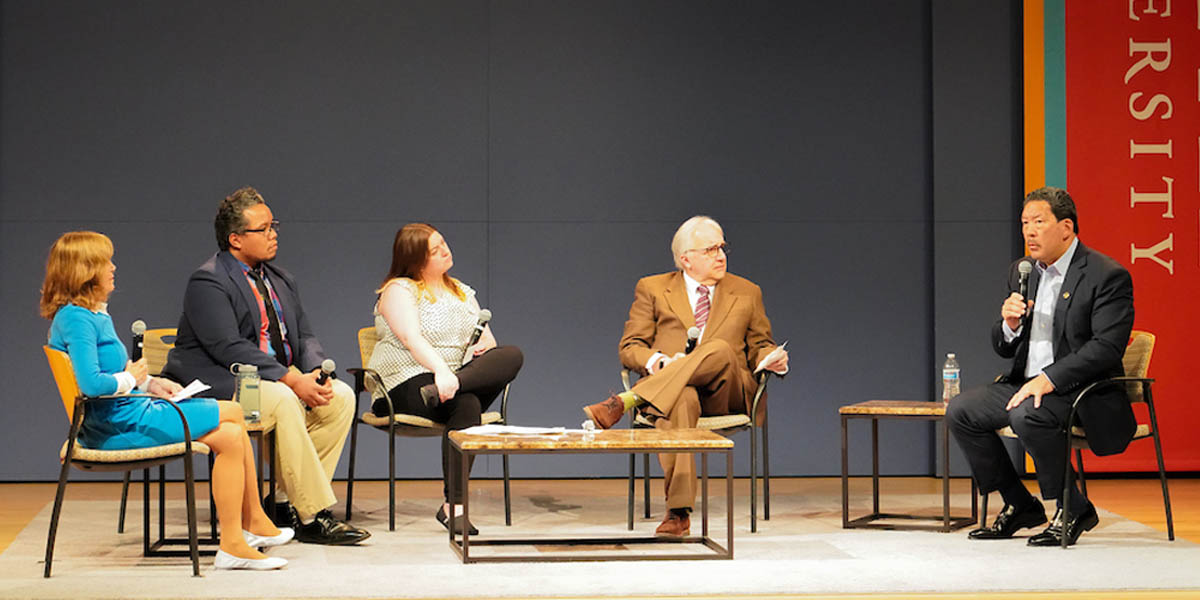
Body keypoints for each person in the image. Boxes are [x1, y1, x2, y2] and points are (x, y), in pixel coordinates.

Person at [42, 231, 290, 570]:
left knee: (231, 434)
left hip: (129, 411)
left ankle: (246, 531)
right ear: (85, 271)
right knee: (232, 411)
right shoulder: (76, 318)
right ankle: (243, 534)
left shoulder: (92, 314)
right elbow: (90, 384)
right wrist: (131, 378)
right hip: (118, 426)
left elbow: (114, 379)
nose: (113, 268)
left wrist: (150, 383)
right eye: (106, 262)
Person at [163, 187, 369, 546]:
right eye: (265, 228)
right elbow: (227, 347)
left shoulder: (280, 278)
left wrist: (318, 372)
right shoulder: (208, 280)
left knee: (341, 397)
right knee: (283, 398)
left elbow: (303, 336)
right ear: (236, 239)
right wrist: (291, 379)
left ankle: (284, 502)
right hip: (221, 383)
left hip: (272, 381)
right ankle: (313, 515)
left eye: (275, 225)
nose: (274, 233)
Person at [947, 187, 1136, 546]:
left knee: (1026, 414)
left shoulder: (1106, 275)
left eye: (1038, 222)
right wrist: (1010, 326)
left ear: (1066, 227)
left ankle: (1073, 507)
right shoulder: (1023, 273)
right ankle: (1020, 505)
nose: (1029, 231)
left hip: (1081, 388)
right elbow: (1004, 348)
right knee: (962, 410)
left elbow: (1106, 348)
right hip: (1026, 383)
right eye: (1024, 223)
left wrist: (1049, 379)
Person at [581, 215, 788, 537]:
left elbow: (760, 344)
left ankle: (628, 401)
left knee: (719, 348)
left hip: (726, 390)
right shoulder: (652, 288)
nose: (721, 256)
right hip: (673, 394)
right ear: (685, 259)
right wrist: (660, 362)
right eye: (710, 250)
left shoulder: (747, 291)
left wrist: (772, 359)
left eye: (722, 247)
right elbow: (631, 346)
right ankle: (678, 513)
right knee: (682, 398)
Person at [368, 223, 523, 535]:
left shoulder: (463, 291)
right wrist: (440, 371)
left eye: (443, 243)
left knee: (511, 354)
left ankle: (456, 386)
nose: (445, 251)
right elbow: (412, 338)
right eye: (434, 250)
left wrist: (483, 350)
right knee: (466, 406)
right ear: (415, 259)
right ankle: (455, 507)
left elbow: (489, 341)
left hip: (450, 383)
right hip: (405, 381)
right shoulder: (399, 290)